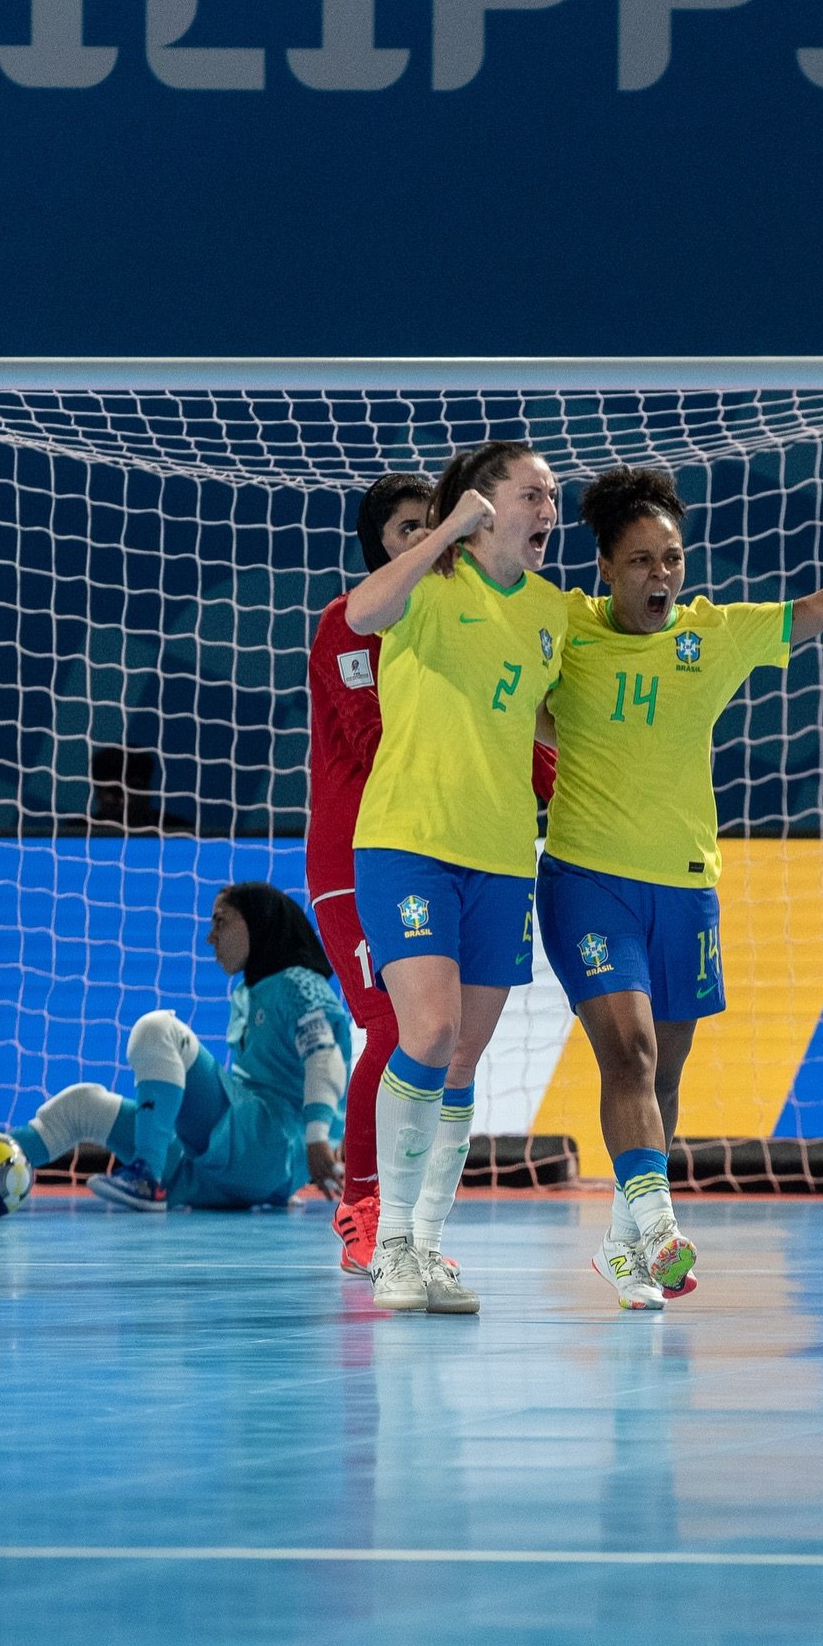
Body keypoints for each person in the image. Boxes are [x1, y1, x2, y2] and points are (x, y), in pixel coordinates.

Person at [539, 465, 823, 1309]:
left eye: (672, 559)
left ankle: (622, 1241)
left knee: (661, 1077)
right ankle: (664, 1228)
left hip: (685, 890)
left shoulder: (712, 635)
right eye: (640, 561)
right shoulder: (563, 626)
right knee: (629, 1051)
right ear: (603, 566)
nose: (661, 577)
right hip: (587, 881)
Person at [308, 474, 559, 1276]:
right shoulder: (351, 625)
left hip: (461, 849)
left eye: (434, 525)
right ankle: (365, 1204)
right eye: (410, 527)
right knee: (394, 1029)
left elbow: (491, 720)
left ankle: (416, 1231)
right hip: (362, 855)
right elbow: (391, 733)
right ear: (379, 543)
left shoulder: (468, 619)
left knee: (451, 1048)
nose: (428, 538)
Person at [0, 882, 349, 1213]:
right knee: (85, 1104)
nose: (210, 936)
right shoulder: (250, 991)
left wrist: (316, 1140)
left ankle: (146, 1173)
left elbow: (325, 1058)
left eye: (221, 922)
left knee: (157, 1029)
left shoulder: (299, 985)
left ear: (260, 924)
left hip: (266, 1142)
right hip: (236, 1176)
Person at [80, 745, 194, 835]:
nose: (126, 801)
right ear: (97, 794)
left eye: (134, 789)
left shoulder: (177, 831)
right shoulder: (76, 832)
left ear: (148, 792)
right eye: (115, 791)